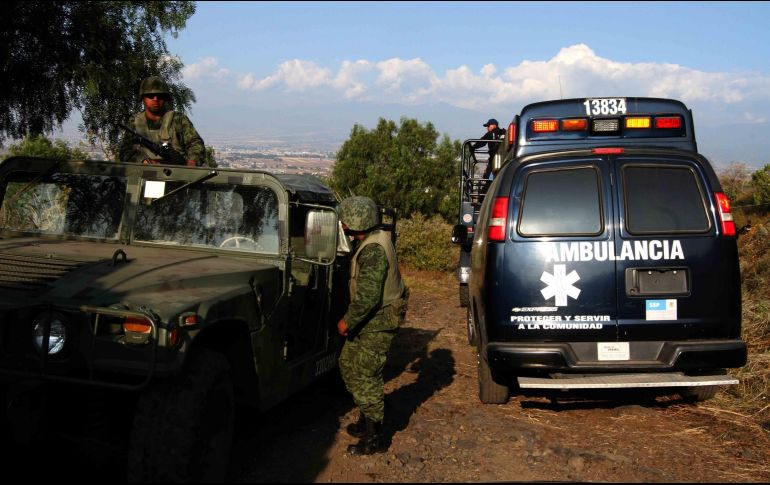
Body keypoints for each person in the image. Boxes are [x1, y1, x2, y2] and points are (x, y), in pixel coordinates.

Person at [337, 196, 409, 456]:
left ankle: (374, 437)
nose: (342, 225)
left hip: (377, 321)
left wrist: (347, 321)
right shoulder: (372, 240)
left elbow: (368, 297)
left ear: (355, 223)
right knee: (348, 364)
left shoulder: (373, 250)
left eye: (345, 220)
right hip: (371, 320)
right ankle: (365, 418)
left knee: (367, 375)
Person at [118, 76, 207, 167]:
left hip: (176, 172)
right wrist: (143, 161)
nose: (155, 99)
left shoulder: (178, 119)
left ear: (165, 98)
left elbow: (196, 144)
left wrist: (192, 161)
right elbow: (125, 152)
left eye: (160, 96)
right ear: (143, 98)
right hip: (144, 174)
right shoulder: (134, 122)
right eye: (150, 96)